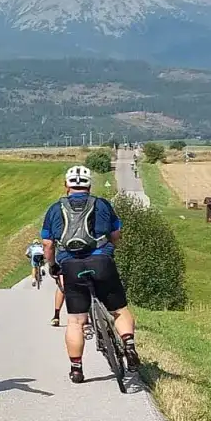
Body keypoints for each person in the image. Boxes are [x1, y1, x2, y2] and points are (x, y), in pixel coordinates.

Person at [41, 164, 139, 383]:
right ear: (89, 185)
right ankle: (129, 345)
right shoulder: (103, 204)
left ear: (66, 185)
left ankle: (76, 369)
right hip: (102, 261)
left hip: (72, 267)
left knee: (76, 321)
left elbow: (47, 243)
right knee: (119, 310)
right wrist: (110, 250)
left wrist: (53, 266)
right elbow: (116, 233)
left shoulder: (55, 209)